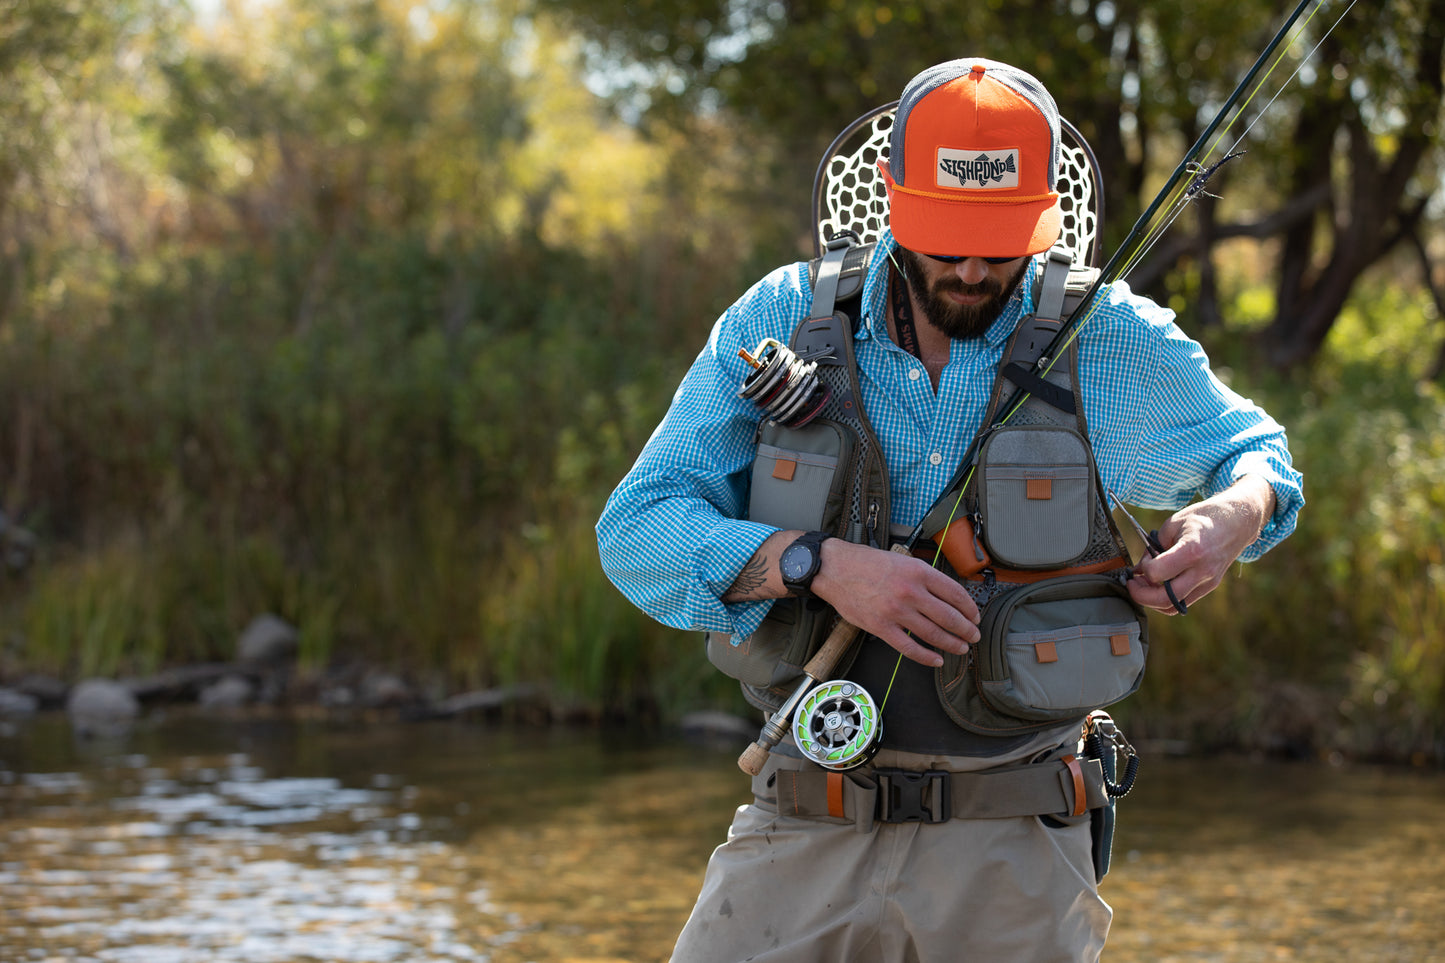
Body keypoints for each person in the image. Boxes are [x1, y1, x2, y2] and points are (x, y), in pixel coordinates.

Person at [597, 57, 1302, 962]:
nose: (970, 267)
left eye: (999, 242)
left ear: (1046, 217)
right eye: (944, 237)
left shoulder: (1107, 337)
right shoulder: (780, 314)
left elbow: (1259, 461)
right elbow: (637, 525)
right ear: (890, 203)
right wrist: (817, 564)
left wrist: (1229, 519)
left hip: (1016, 847)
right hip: (800, 819)